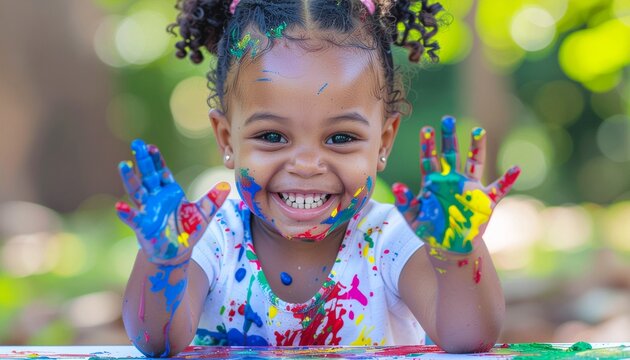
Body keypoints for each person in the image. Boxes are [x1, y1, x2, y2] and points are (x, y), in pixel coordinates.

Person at [116, 0, 521, 357]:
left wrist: (459, 253)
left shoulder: (389, 239)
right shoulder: (215, 240)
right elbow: (157, 342)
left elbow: (467, 338)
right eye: (272, 137)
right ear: (227, 139)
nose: (308, 164)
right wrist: (164, 262)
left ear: (383, 141)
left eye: (340, 138)